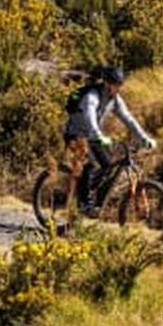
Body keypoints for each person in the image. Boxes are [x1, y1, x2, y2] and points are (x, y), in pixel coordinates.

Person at [62, 65, 156, 217]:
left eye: (120, 84)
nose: (118, 88)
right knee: (89, 164)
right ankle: (83, 204)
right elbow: (90, 116)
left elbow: (128, 119)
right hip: (75, 133)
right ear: (106, 83)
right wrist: (98, 135)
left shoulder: (115, 100)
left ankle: (94, 200)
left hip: (93, 136)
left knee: (108, 165)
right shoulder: (92, 96)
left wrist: (144, 138)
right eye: (115, 84)